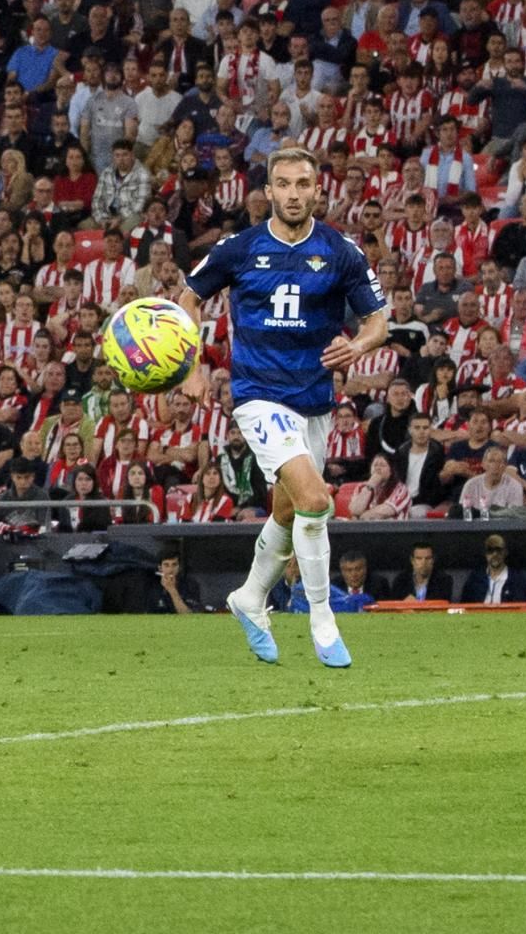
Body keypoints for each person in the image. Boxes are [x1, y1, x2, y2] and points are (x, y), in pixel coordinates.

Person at [179, 147, 389, 667]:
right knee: (316, 500)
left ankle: (250, 597)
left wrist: (358, 346)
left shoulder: (340, 251)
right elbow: (188, 298)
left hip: (314, 400)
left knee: (290, 508)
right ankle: (323, 619)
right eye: (284, 184)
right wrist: (191, 367)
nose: (293, 194)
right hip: (258, 395)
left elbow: (378, 322)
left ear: (317, 190)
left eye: (302, 184)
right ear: (268, 191)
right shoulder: (239, 248)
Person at [457, 534, 514, 604]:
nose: (495, 554)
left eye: (498, 550)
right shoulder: (475, 579)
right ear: (485, 553)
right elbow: (464, 605)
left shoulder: (517, 580)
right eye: (490, 550)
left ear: (506, 552)